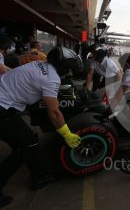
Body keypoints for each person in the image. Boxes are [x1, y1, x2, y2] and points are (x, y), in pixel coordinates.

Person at [0, 46, 81, 208]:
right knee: (29, 144)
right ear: (64, 66)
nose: (69, 72)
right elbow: (54, 113)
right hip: (2, 109)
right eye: (69, 69)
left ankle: (39, 176)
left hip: (5, 103)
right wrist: (67, 134)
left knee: (28, 142)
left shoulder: (39, 64)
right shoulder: (51, 78)